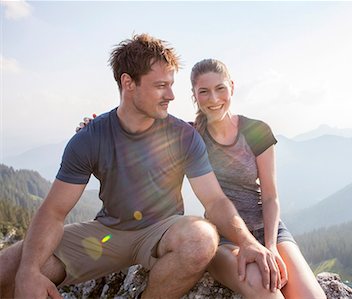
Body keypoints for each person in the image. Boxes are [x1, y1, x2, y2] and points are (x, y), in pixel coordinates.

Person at [0, 34, 281, 299]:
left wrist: (247, 242)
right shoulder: (90, 138)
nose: (171, 95)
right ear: (128, 83)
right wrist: (28, 272)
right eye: (161, 85)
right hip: (107, 233)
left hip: (162, 232)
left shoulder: (183, 135)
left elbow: (215, 200)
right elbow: (53, 211)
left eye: (171, 84)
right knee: (9, 268)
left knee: (201, 238)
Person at [189, 59, 327, 299]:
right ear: (194, 95)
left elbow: (271, 196)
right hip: (224, 239)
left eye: (220, 88)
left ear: (232, 86)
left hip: (268, 230)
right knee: (269, 293)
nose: (213, 98)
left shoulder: (256, 130)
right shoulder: (192, 137)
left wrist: (271, 246)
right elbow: (148, 133)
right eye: (204, 91)